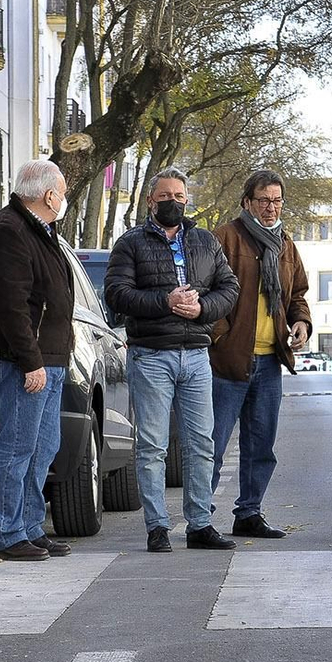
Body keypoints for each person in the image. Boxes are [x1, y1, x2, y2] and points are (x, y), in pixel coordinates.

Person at [105, 167, 240, 553]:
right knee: (152, 446)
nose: (173, 203)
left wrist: (201, 309)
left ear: (187, 199)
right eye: (165, 196)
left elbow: (229, 288)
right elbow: (116, 294)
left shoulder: (205, 241)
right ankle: (157, 527)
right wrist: (165, 301)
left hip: (196, 355)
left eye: (179, 197)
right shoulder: (130, 243)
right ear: (151, 201)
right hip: (151, 356)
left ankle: (200, 524)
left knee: (201, 444)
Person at [0, 160, 78, 562]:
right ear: (49, 195)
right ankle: (9, 534)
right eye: (63, 193)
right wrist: (30, 360)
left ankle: (32, 527)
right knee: (17, 447)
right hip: (25, 361)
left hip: (49, 357)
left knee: (43, 447)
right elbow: (11, 306)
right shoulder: (9, 231)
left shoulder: (39, 230)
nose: (64, 199)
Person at [209, 169, 313, 539]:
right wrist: (221, 336)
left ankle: (249, 513)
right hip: (227, 361)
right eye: (264, 200)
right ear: (247, 202)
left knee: (261, 445)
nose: (271, 208)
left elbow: (297, 293)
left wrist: (301, 323)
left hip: (270, 361)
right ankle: (200, 517)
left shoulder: (285, 244)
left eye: (277, 201)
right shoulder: (224, 237)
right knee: (212, 444)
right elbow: (205, 289)